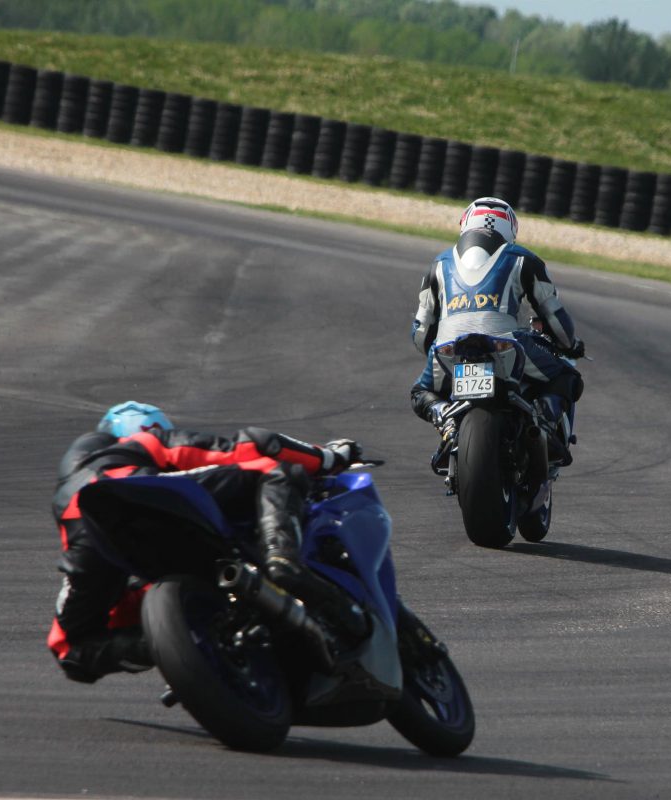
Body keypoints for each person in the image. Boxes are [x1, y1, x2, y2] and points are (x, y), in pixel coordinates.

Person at [48, 401, 361, 684]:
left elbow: (69, 646)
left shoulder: (73, 492)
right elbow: (253, 444)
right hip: (144, 494)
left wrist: (168, 641)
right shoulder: (145, 443)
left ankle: (187, 641)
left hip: (90, 539)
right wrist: (329, 457)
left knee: (72, 648)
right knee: (276, 469)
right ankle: (282, 559)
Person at [409, 197, 584, 462]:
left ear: (465, 224)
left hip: (449, 349)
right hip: (508, 344)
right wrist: (569, 345)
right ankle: (545, 420)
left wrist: (437, 351)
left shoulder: (438, 264)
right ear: (510, 229)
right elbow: (554, 316)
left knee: (420, 393)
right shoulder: (523, 259)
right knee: (568, 376)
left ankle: (444, 415)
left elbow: (421, 332)